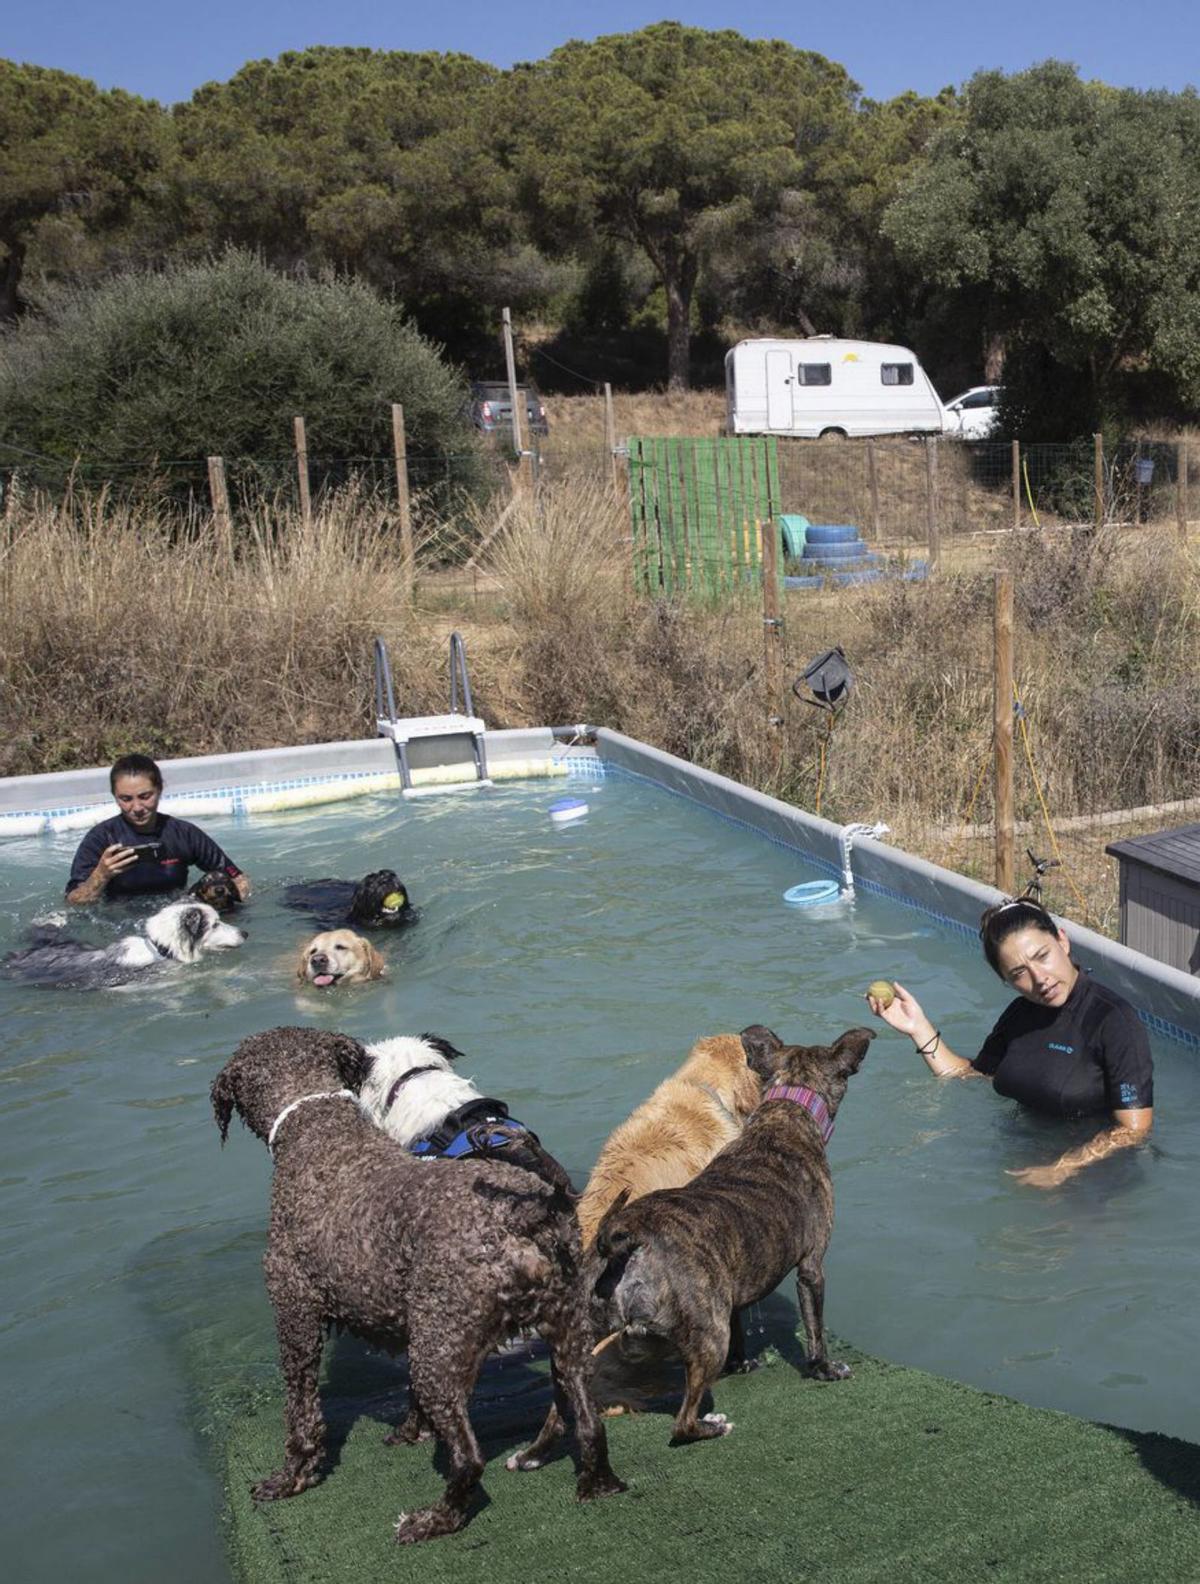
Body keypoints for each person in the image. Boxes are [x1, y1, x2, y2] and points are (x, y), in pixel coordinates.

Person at [867, 898, 1153, 1189]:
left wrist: (1064, 1168)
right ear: (1005, 980)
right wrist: (918, 1028)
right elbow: (971, 1076)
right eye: (1018, 973)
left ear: (1062, 941)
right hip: (1023, 1160)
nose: (1039, 978)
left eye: (1042, 955)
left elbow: (1133, 1129)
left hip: (1094, 1179)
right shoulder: (1018, 1016)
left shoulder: (1114, 1021)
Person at [65, 754, 250, 905]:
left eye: (145, 796)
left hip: (174, 914)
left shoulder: (184, 834)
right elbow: (73, 901)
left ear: (159, 789)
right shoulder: (101, 838)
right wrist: (101, 875)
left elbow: (237, 878)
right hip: (118, 921)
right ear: (115, 797)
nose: (137, 807)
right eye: (126, 799)